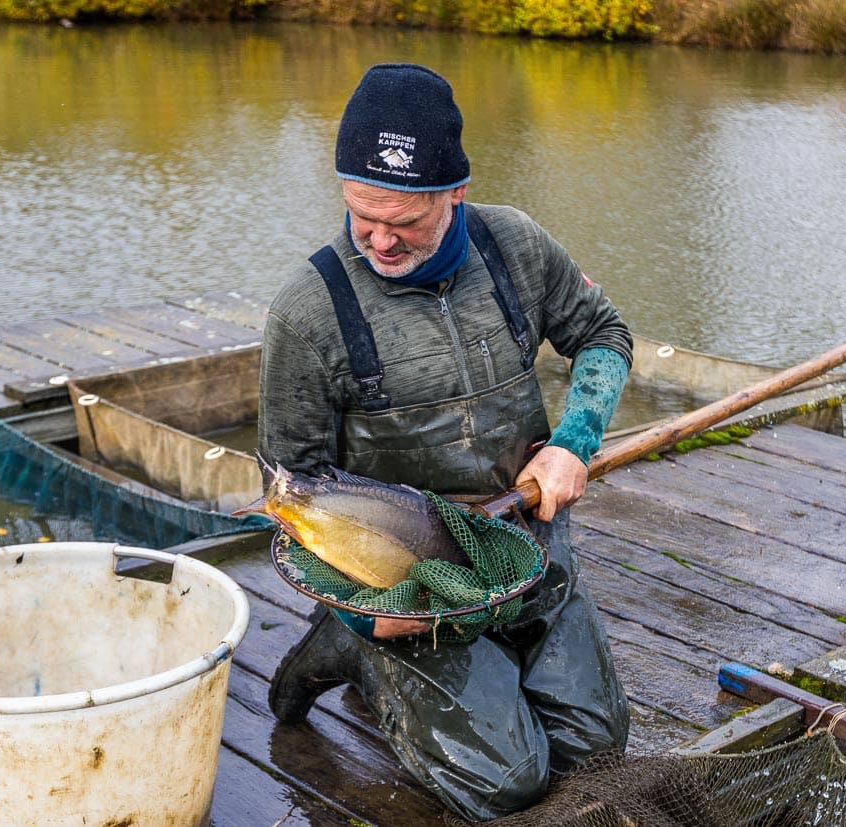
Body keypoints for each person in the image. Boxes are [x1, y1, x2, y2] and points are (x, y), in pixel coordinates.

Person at [258, 62, 633, 821]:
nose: (380, 239)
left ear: (455, 192)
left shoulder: (516, 245)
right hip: (398, 576)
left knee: (597, 746)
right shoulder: (308, 311)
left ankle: (467, 658)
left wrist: (574, 440)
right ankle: (350, 645)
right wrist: (366, 609)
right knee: (508, 782)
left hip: (524, 542)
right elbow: (284, 485)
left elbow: (605, 332)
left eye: (405, 222)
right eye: (363, 214)